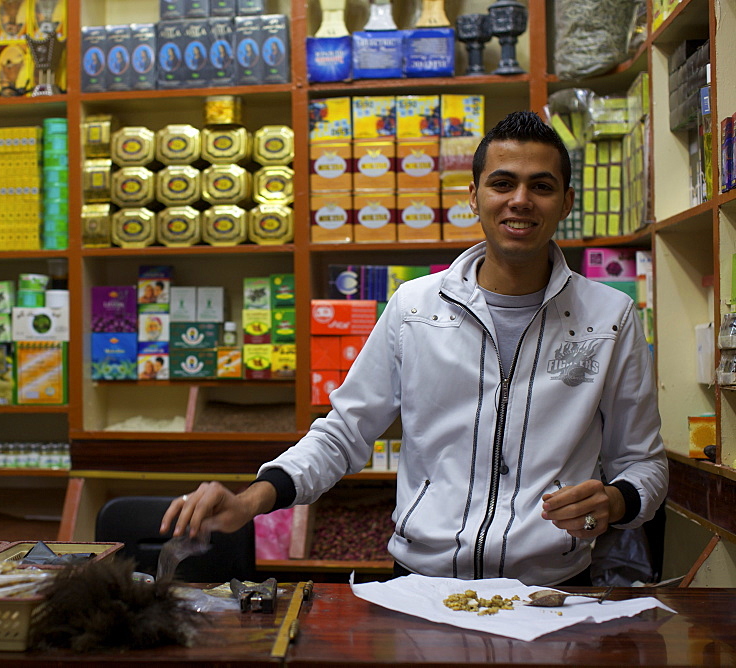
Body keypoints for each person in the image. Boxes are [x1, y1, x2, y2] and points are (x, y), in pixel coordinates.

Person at [160, 111, 667, 587]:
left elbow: (644, 463)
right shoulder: (416, 306)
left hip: (551, 588)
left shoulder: (608, 318)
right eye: (502, 183)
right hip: (420, 585)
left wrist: (616, 501)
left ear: (567, 202)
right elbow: (343, 433)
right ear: (474, 196)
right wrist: (252, 499)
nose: (520, 200)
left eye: (541, 186)